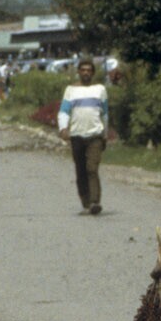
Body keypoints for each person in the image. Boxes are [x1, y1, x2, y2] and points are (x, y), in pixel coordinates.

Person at [57, 59, 108, 215]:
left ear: (93, 73)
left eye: (89, 70)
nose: (86, 73)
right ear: (79, 72)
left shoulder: (100, 90)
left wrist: (105, 134)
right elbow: (64, 111)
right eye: (83, 70)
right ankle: (86, 201)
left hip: (95, 135)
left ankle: (95, 201)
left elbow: (105, 114)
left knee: (92, 168)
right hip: (77, 135)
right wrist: (63, 128)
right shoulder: (71, 90)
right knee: (81, 170)